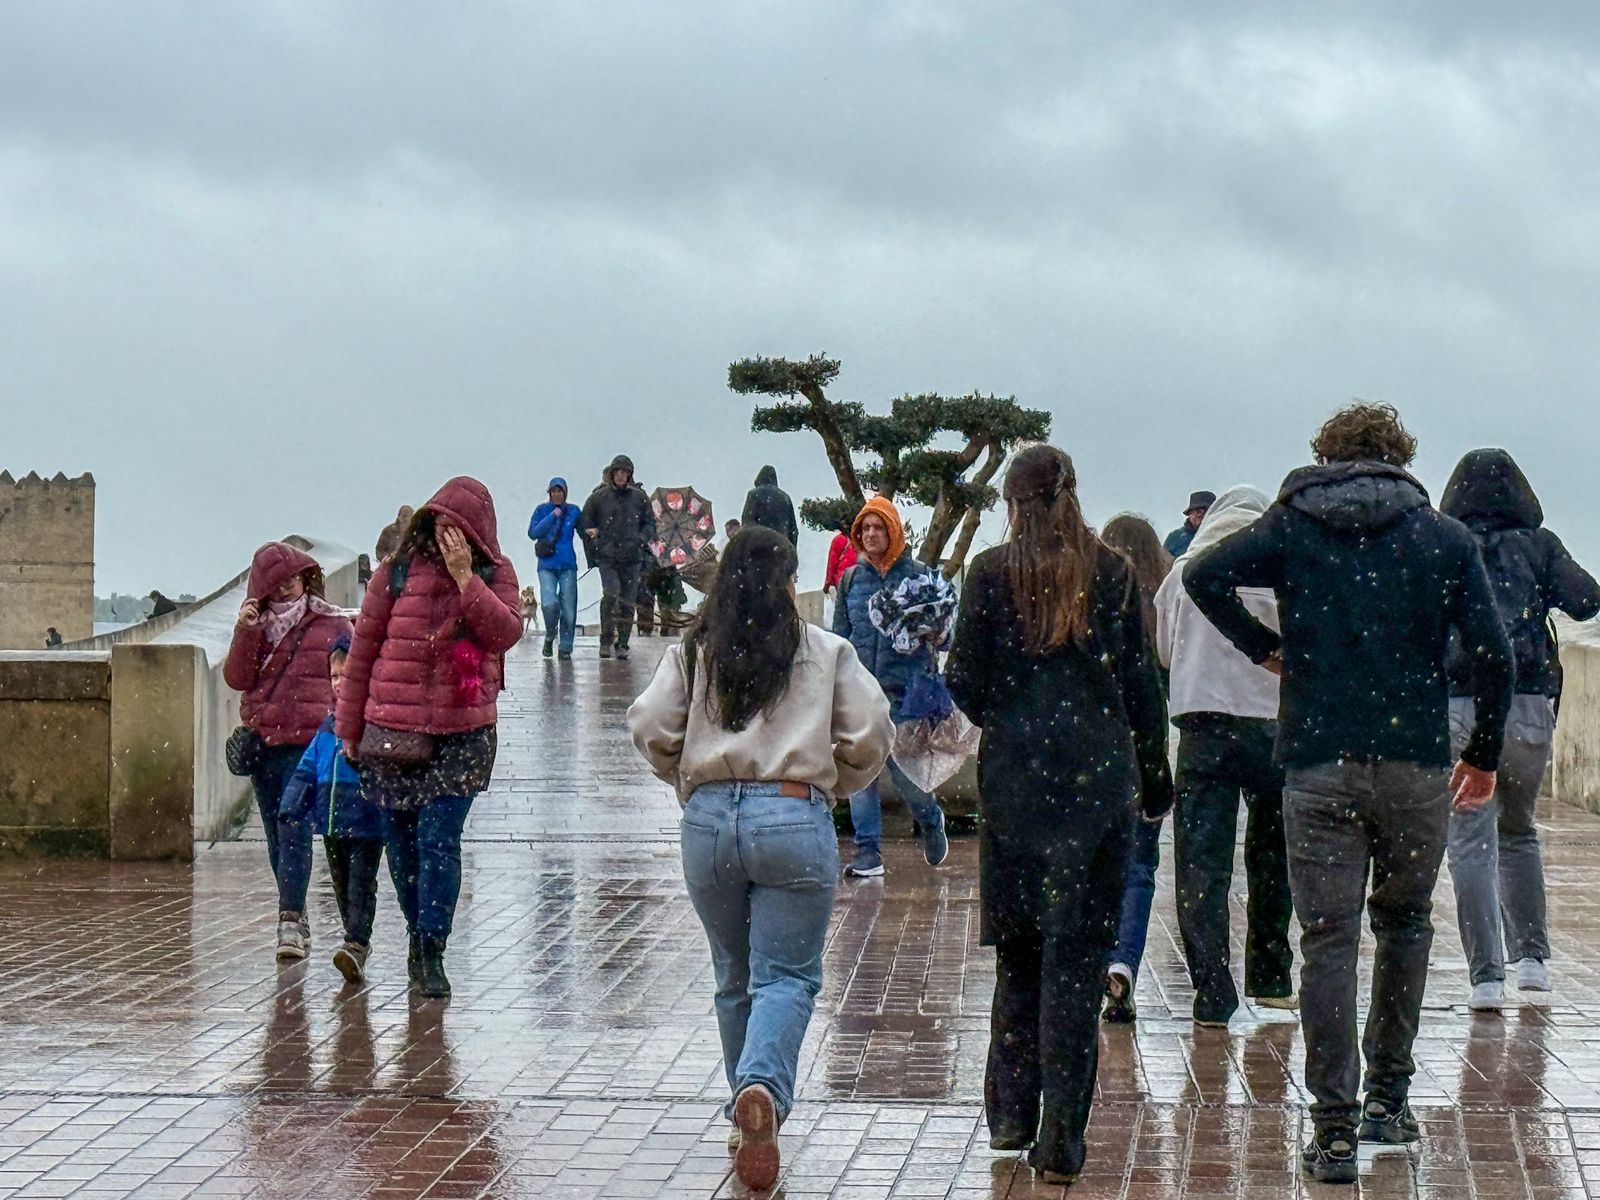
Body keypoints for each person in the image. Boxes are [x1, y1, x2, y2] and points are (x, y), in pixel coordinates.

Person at [1185, 402, 1512, 1185]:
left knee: (1326, 941)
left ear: (1325, 455)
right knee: (1404, 926)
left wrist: (1268, 649)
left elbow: (1203, 575)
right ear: (1401, 457)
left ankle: (1331, 1130)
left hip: (1317, 763)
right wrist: (1485, 754)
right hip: (1412, 766)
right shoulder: (1442, 539)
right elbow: (1496, 654)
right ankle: (1388, 1101)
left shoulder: (1294, 528)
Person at [629, 527, 894, 1191]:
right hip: (791, 810)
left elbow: (650, 725)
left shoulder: (695, 651)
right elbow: (872, 731)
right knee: (788, 977)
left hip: (709, 821)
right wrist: (837, 780)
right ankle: (763, 1093)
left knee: (734, 974)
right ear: (787, 581)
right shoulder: (822, 650)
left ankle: (746, 1111)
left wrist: (688, 779)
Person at [947, 445, 1172, 1185]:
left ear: (1013, 500)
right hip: (1096, 786)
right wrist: (1154, 771)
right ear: (1072, 492)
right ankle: (1061, 1142)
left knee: (1019, 953)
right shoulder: (1113, 572)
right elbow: (1142, 684)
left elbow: (965, 685)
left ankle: (1010, 1114)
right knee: (1074, 964)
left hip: (1017, 785)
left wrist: (1016, 714)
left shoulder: (989, 575)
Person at [337, 478, 523, 1000]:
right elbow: (362, 653)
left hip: (463, 733)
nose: (448, 538)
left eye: (458, 530)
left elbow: (505, 632)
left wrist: (467, 580)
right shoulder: (395, 573)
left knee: (438, 840)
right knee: (401, 847)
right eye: (441, 526)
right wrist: (349, 728)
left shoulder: (494, 574)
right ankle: (417, 938)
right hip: (393, 731)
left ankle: (433, 946)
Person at [1440, 449, 1600, 1010]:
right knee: (1519, 829)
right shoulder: (1540, 544)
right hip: (1530, 698)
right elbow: (1586, 601)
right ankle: (1532, 963)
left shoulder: (1446, 542)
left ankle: (1485, 977)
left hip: (1459, 698)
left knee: (1469, 841)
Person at [1154, 486, 1294, 1026]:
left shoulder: (1184, 573)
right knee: (1271, 858)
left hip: (1204, 729)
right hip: (1273, 729)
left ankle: (1212, 990)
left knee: (1202, 866)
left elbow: (1164, 652)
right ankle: (1271, 976)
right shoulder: (1280, 573)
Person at [225, 541, 354, 957]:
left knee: (293, 825)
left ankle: (290, 920)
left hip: (312, 743)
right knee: (277, 837)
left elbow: (350, 677)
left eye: (292, 581)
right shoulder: (258, 626)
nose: (284, 591)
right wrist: (245, 632)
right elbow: (237, 677)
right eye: (275, 585)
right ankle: (294, 914)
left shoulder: (332, 624)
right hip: (267, 742)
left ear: (306, 579)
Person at [833, 497, 951, 877]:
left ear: (893, 531)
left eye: (878, 527)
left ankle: (931, 820)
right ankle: (868, 852)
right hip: (862, 696)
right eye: (864, 528)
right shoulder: (850, 580)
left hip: (905, 695)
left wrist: (932, 631)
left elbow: (947, 635)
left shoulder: (920, 577)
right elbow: (841, 638)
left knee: (908, 778)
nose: (870, 534)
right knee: (860, 774)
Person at [1096, 514, 1173, 1024]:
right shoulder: (1163, 603)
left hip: (1098, 754)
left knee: (1097, 866)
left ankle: (1096, 962)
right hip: (1150, 753)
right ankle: (1124, 961)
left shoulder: (1102, 601)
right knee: (1140, 868)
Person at [273, 636, 385, 981]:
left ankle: (357, 941)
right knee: (340, 881)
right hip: (334, 821)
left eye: (345, 676)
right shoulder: (327, 725)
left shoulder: (372, 721)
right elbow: (308, 768)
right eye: (334, 677)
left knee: (360, 883)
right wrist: (293, 803)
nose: (339, 683)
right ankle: (353, 938)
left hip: (365, 821)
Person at [579, 455, 655, 660]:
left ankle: (622, 642)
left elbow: (650, 525)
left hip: (632, 558)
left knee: (628, 601)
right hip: (608, 557)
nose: (621, 475)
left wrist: (641, 539)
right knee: (611, 594)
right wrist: (594, 539)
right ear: (612, 474)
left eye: (625, 472)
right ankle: (605, 640)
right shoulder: (599, 497)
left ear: (630, 475)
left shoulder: (640, 498)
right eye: (618, 472)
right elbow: (584, 523)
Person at [528, 477, 581, 659]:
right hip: (547, 564)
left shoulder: (573, 511)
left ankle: (565, 647)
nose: (557, 494)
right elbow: (533, 533)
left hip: (567, 564)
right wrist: (552, 516)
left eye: (560, 491)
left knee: (569, 609)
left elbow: (584, 530)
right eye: (554, 491)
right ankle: (550, 635)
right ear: (549, 493)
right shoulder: (542, 510)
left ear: (565, 493)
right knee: (549, 604)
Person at [741, 465, 800, 548]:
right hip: (781, 546)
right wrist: (792, 549)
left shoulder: (754, 494)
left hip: (758, 545)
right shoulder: (785, 498)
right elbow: (793, 530)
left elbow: (747, 522)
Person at [1163, 491, 1215, 557]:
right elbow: (1162, 563)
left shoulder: (1220, 535)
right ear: (1189, 513)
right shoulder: (1175, 537)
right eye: (1197, 510)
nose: (1201, 513)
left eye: (1206, 510)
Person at [824, 517, 857, 596]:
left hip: (842, 581)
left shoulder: (838, 540)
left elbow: (832, 563)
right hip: (858, 580)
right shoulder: (860, 539)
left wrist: (827, 582)